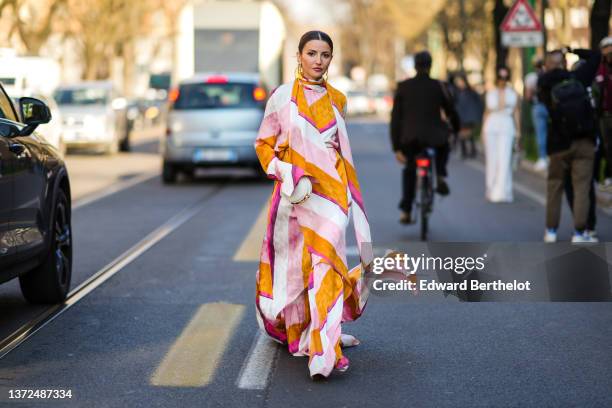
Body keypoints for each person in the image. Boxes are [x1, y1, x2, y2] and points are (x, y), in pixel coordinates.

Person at [253, 31, 373, 379]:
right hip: (295, 195)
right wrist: (288, 171)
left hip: (332, 197)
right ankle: (302, 331)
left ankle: (324, 345)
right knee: (294, 271)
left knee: (327, 265)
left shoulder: (338, 99)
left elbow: (337, 150)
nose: (318, 60)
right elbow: (264, 146)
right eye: (312, 53)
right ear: (299, 56)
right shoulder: (280, 99)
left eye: (325, 54)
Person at [537, 47, 601, 242]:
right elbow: (595, 56)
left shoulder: (544, 82)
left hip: (558, 143)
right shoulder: (579, 76)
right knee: (582, 187)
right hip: (583, 140)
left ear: (547, 66)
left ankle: (551, 231)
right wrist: (573, 50)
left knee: (554, 186)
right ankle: (580, 232)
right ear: (564, 62)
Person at [390, 50, 460, 224]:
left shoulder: (403, 87)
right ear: (431, 66)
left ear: (414, 66)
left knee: (409, 170)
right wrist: (456, 128)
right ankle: (441, 175)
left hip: (410, 138)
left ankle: (406, 211)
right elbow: (451, 110)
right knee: (444, 145)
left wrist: (397, 147)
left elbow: (396, 119)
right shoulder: (439, 86)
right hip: (435, 136)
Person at [482, 66, 521, 203]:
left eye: (505, 78)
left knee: (504, 159)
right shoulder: (490, 93)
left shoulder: (513, 93)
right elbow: (486, 112)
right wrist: (482, 131)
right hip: (491, 126)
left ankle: (503, 191)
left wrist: (518, 130)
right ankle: (491, 188)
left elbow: (516, 112)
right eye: (500, 77)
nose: (502, 81)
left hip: (506, 125)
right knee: (492, 159)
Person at [524, 57, 549, 172]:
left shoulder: (531, 78)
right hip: (550, 107)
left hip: (538, 106)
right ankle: (551, 156)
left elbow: (528, 96)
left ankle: (542, 158)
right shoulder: (549, 74)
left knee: (540, 133)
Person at [452, 73, 484, 159]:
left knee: (467, 134)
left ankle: (469, 151)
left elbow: (477, 105)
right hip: (463, 117)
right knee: (465, 135)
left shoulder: (469, 92)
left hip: (467, 118)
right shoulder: (460, 92)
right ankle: (467, 151)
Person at [595, 36, 612, 189]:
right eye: (606, 48)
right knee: (605, 146)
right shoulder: (599, 68)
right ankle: (605, 175)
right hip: (603, 114)